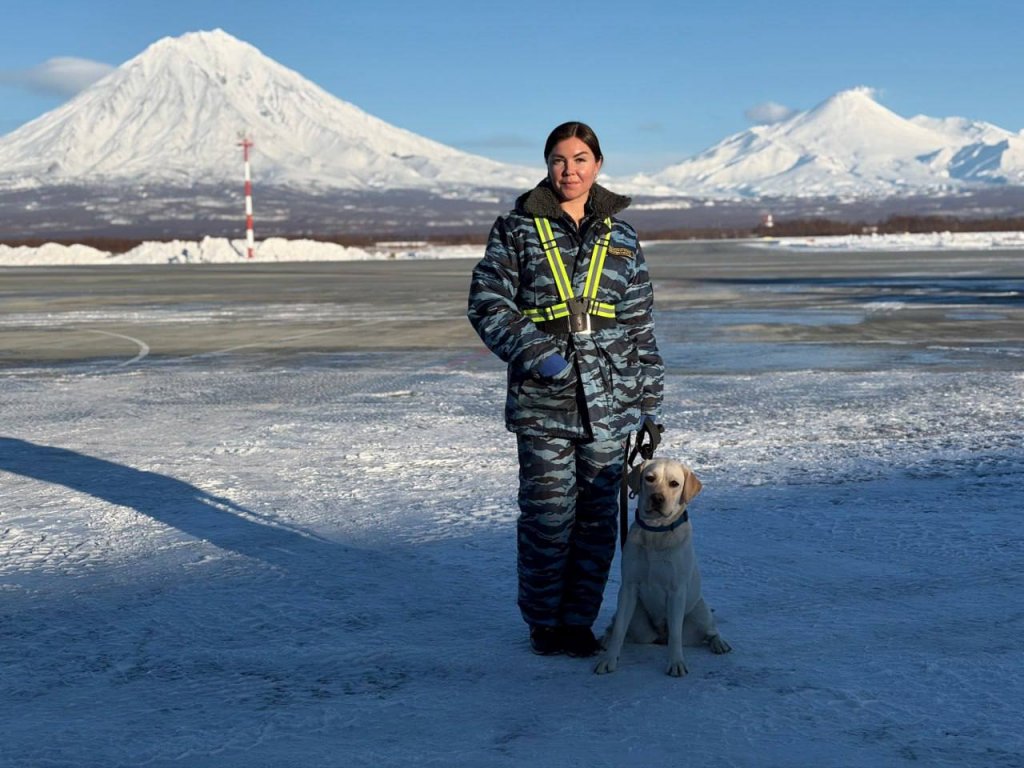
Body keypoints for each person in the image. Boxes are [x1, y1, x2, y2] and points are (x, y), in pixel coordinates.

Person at [467, 121, 664, 657]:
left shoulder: (622, 238)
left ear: (597, 164)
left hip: (613, 400)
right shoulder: (516, 229)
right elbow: (487, 304)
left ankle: (578, 623)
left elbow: (640, 323)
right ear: (546, 165)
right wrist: (542, 358)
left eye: (580, 159)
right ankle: (543, 623)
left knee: (598, 519)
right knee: (548, 517)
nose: (569, 170)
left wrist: (649, 403)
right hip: (544, 400)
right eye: (558, 159)